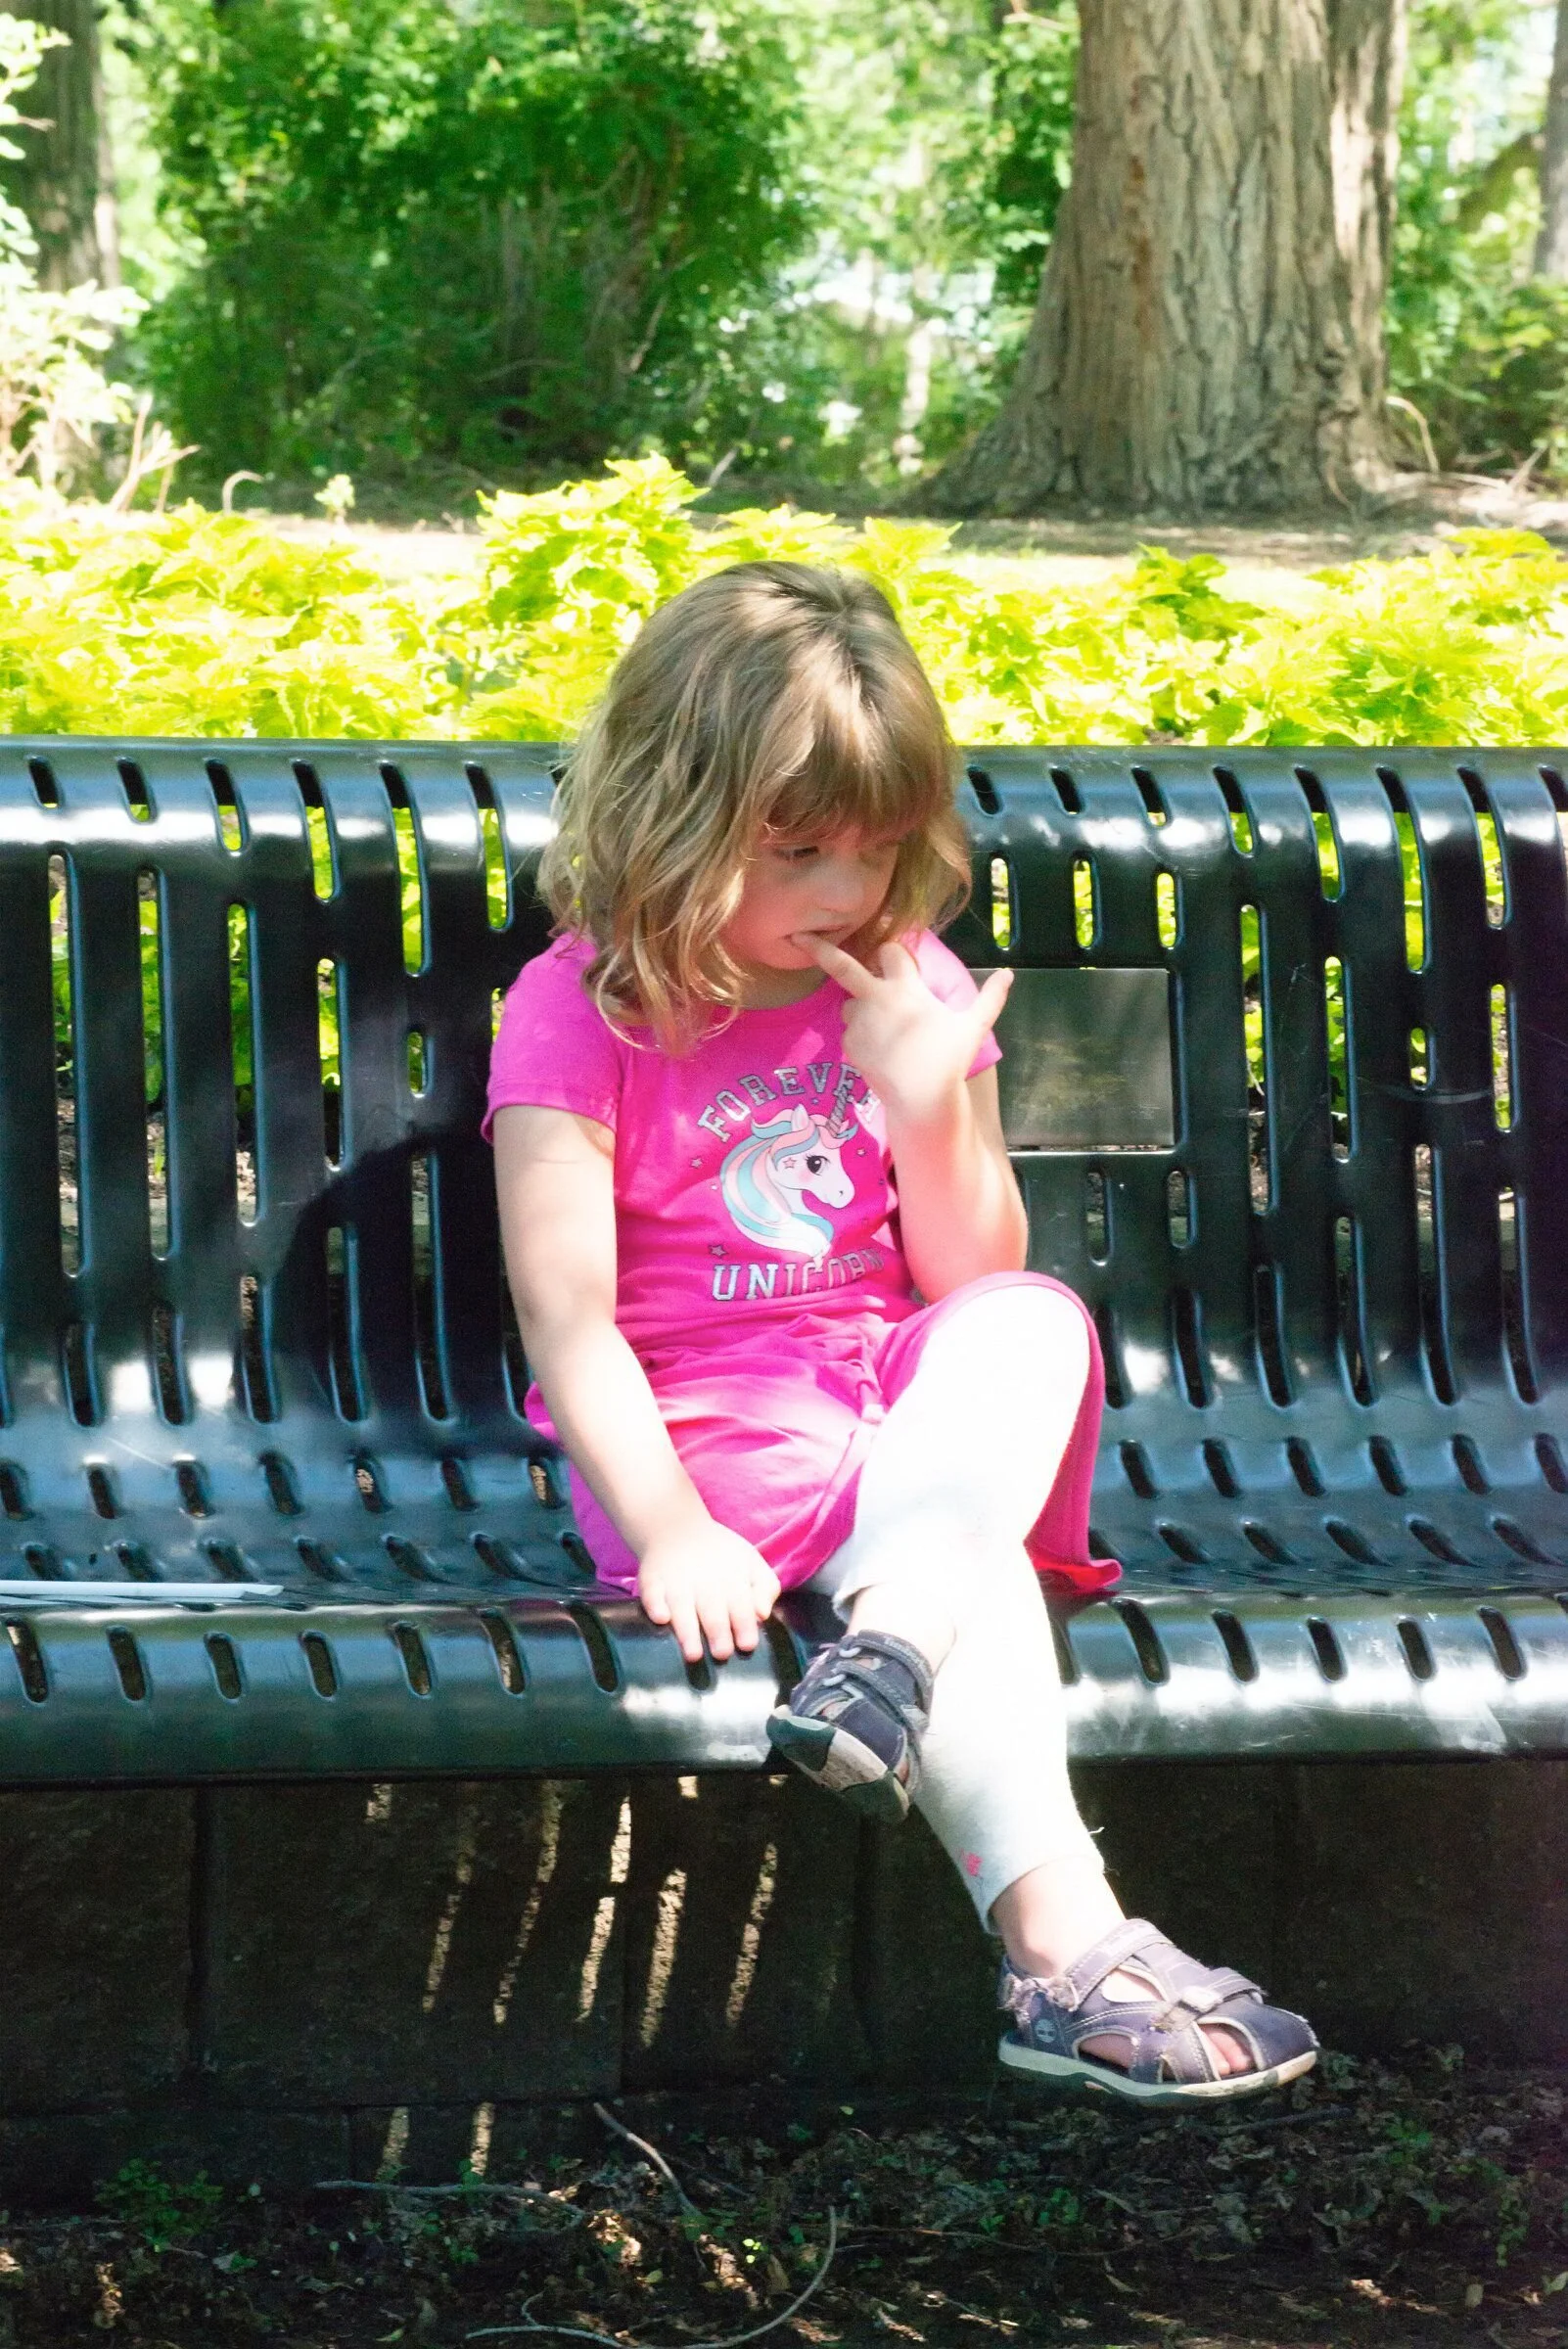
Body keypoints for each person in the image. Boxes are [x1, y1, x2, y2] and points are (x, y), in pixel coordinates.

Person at [486, 561, 1317, 2103]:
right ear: (671, 813)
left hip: (892, 1415)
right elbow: (569, 1316)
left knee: (1033, 1320)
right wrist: (668, 1529)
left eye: (872, 850)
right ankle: (1069, 1950)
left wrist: (923, 1097)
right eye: (797, 850)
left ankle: (892, 1663)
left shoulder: (905, 981)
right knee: (963, 1561)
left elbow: (968, 1269)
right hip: (706, 1442)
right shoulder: (579, 1008)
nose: (844, 893)